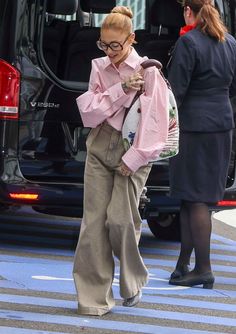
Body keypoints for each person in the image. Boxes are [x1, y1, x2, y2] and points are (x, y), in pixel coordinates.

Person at [73, 6, 169, 315]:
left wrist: (136, 157)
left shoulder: (148, 70)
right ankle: (93, 300)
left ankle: (133, 279)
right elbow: (89, 112)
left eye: (116, 45)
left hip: (136, 147)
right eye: (104, 44)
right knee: (92, 226)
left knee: (119, 220)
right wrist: (120, 89)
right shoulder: (99, 66)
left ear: (131, 39)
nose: (110, 51)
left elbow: (156, 123)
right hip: (101, 143)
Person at [167, 0, 236, 289]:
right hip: (221, 123)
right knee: (191, 196)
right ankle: (183, 264)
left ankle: (203, 268)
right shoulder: (230, 42)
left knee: (195, 199)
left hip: (193, 125)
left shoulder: (188, 42)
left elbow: (177, 90)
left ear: (188, 12)